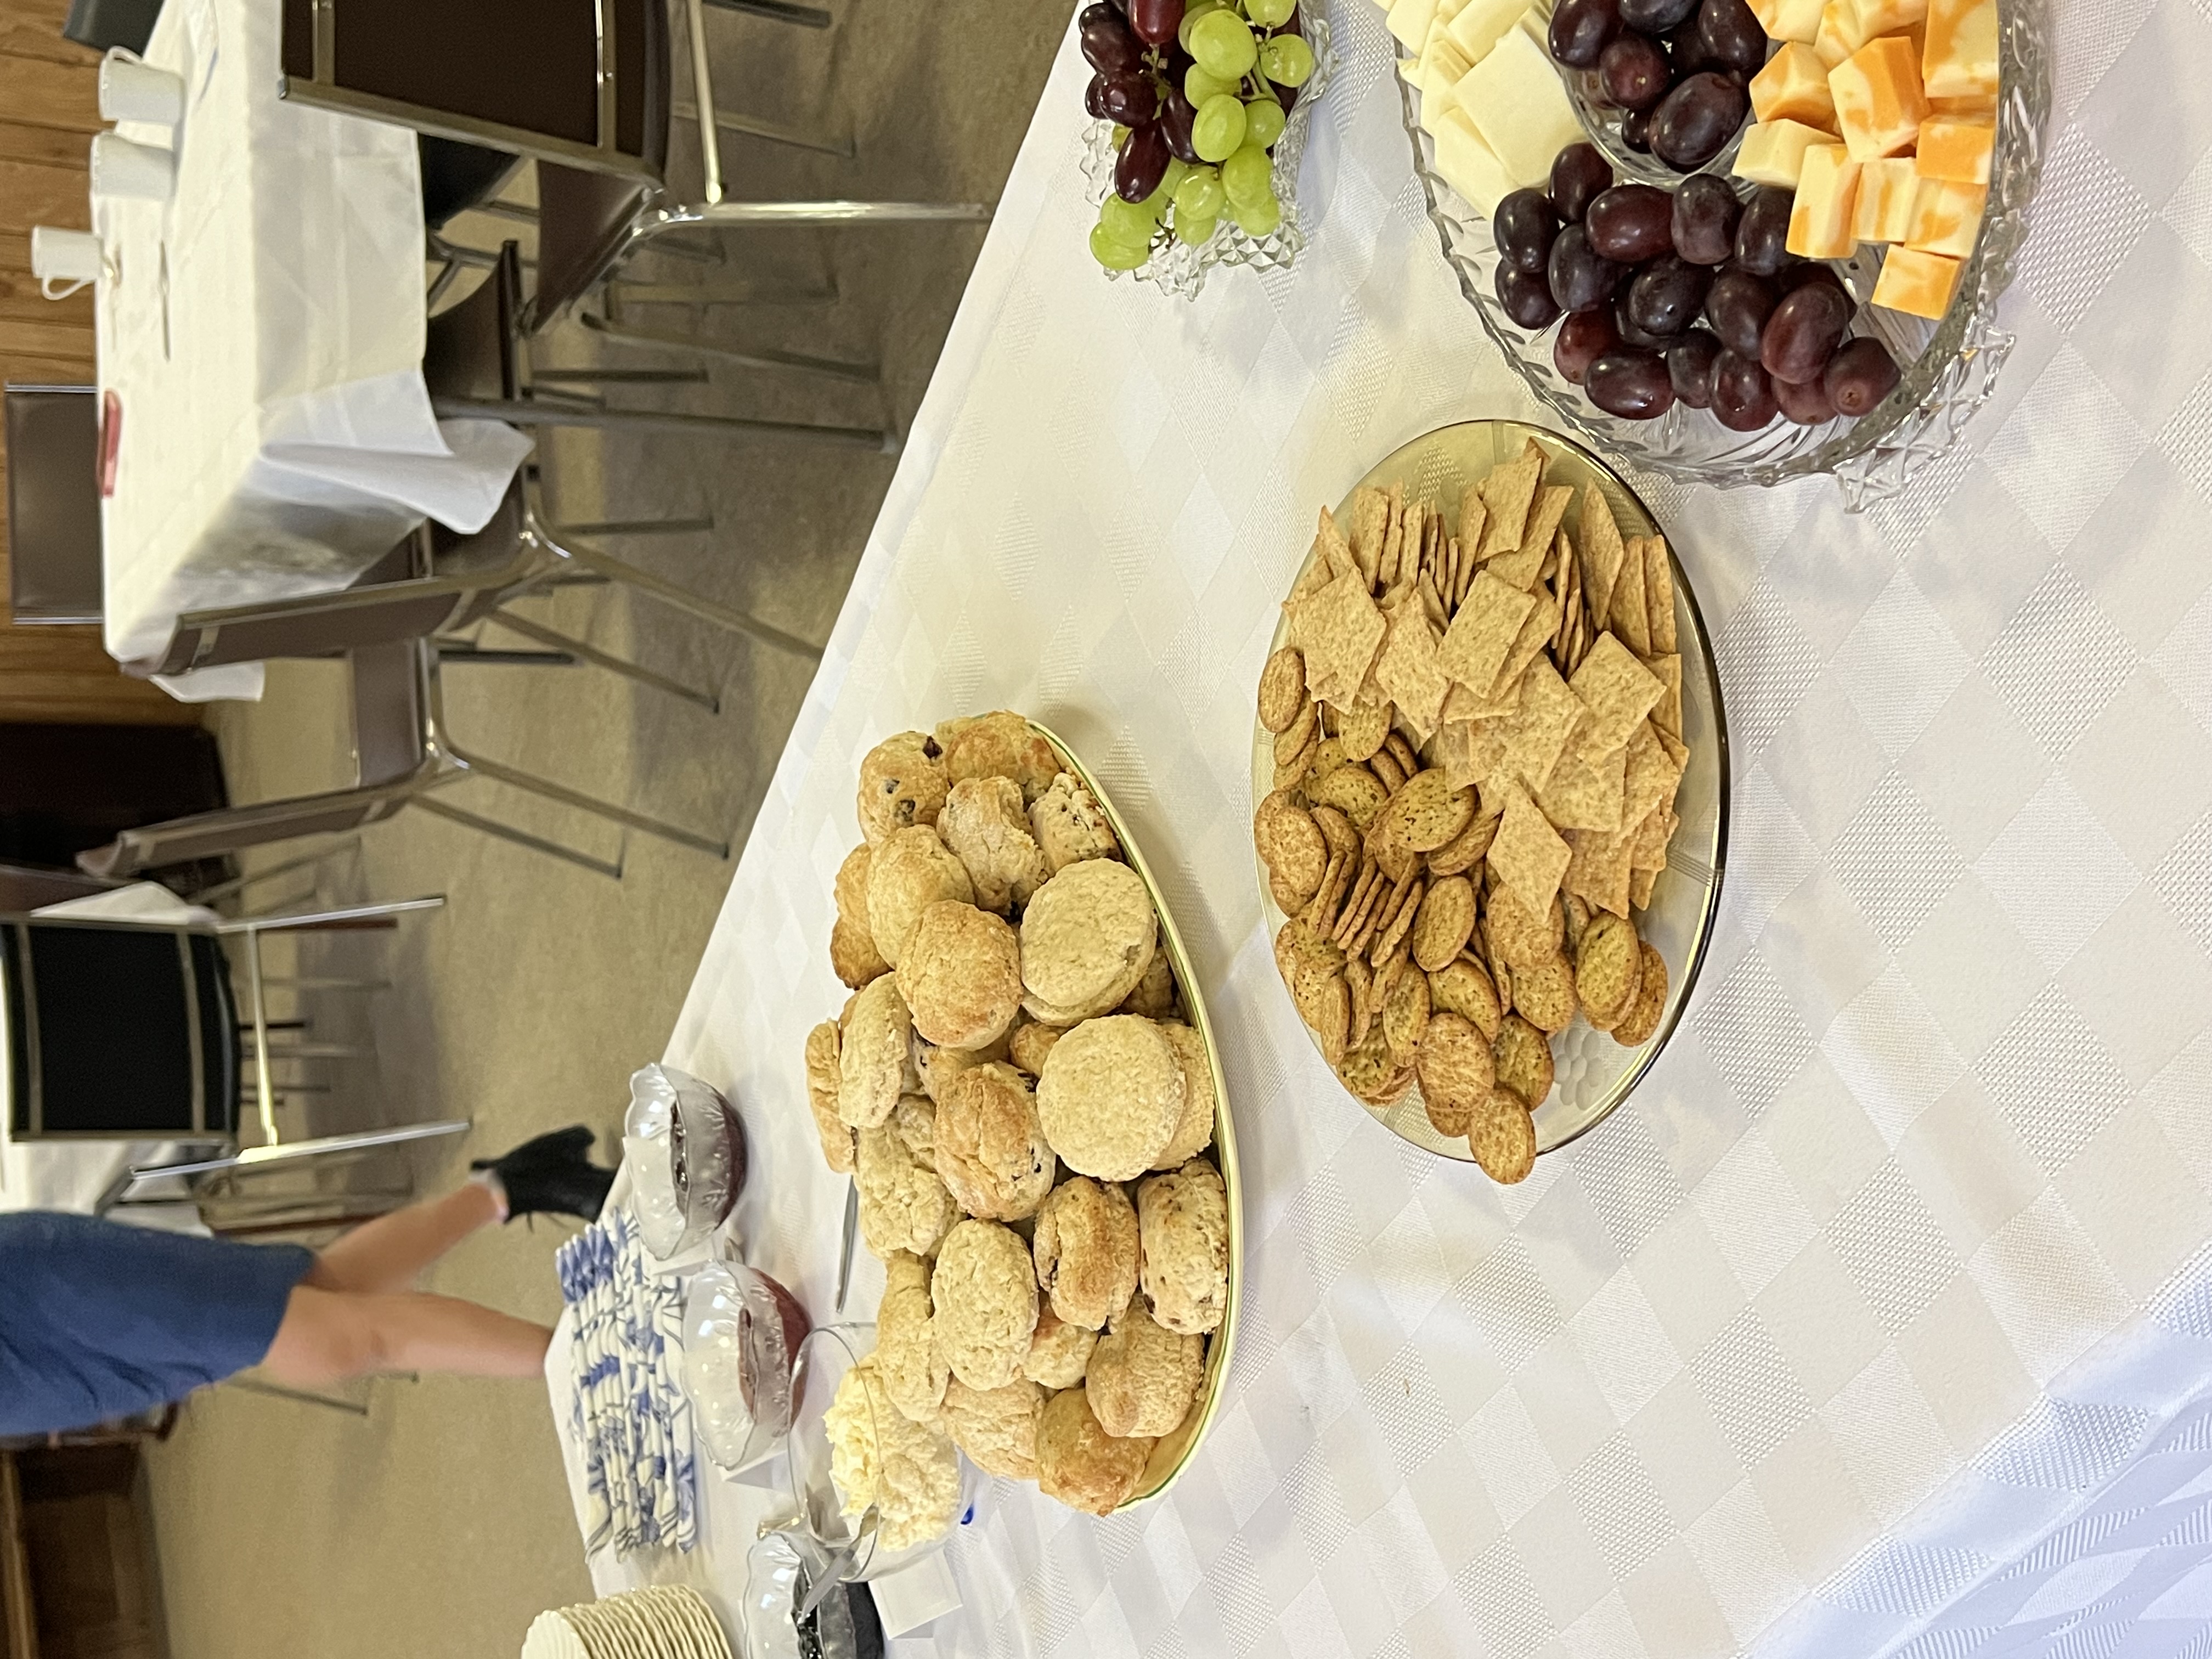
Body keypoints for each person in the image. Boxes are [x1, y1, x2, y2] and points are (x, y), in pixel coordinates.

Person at [0, 1125, 616, 1437]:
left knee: (325, 1340)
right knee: (322, 1295)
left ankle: (608, 1362)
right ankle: (514, 1183)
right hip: (36, 1376)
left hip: (25, 1305)